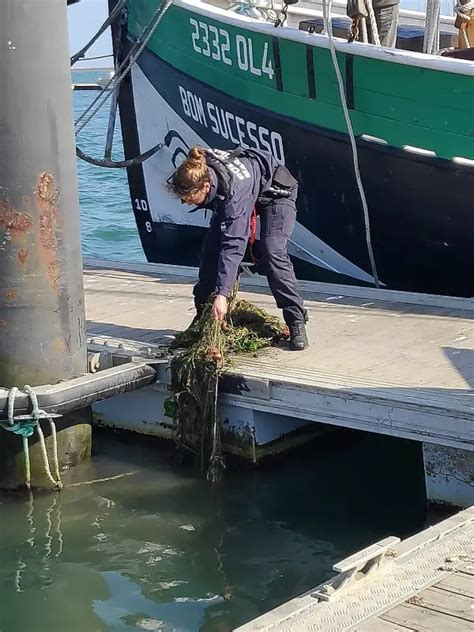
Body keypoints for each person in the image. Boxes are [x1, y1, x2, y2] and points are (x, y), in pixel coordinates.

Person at [166, 146, 309, 351]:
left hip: (277, 194)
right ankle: (204, 313)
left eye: (189, 198)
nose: (185, 202)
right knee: (212, 251)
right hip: (246, 190)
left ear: (206, 186)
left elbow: (234, 247)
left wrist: (223, 295)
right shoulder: (199, 164)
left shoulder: (234, 196)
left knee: (272, 253)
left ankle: (295, 320)